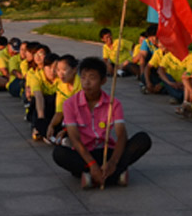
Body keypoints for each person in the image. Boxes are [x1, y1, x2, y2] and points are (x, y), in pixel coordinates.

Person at [53, 56, 152, 188]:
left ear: (103, 81)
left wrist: (112, 162)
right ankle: (114, 175)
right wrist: (92, 165)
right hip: (85, 154)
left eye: (92, 78)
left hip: (106, 150)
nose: (86, 82)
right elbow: (74, 138)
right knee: (59, 153)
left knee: (143, 139)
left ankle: (93, 176)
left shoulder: (113, 104)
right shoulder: (70, 104)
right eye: (83, 77)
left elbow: (122, 135)